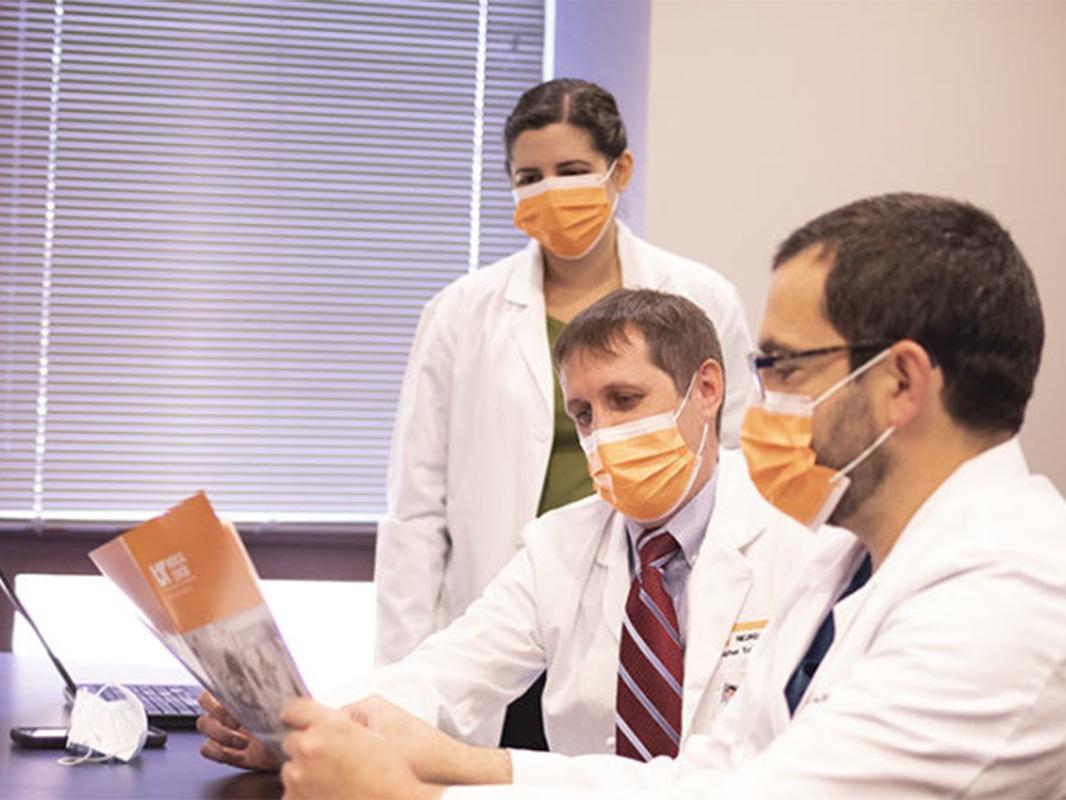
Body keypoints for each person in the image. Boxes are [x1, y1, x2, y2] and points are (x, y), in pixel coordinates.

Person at [275, 193, 1066, 799]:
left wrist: (409, 797)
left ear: (900, 382)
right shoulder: (847, 561)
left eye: (786, 368)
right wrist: (462, 763)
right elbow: (706, 777)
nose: (770, 399)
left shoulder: (1012, 592)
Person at [198, 289, 812, 769]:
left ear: (706, 389)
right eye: (584, 413)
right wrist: (294, 730)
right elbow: (444, 674)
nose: (602, 433)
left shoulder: (802, 538)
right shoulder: (559, 545)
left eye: (624, 400)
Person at [375, 78, 753, 748]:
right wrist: (393, 686)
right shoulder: (461, 313)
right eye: (531, 176)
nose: (552, 191)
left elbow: (739, 459)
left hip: (658, 602)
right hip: (509, 605)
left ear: (620, 171)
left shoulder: (697, 296)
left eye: (572, 171)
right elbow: (415, 507)